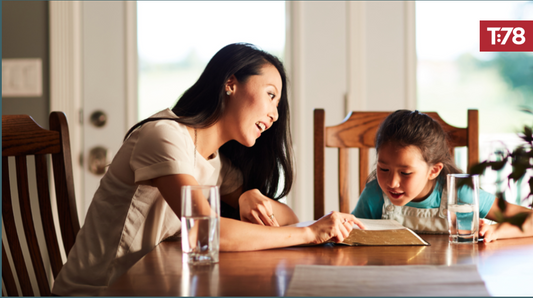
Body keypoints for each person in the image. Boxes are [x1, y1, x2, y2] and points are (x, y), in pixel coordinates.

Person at [52, 43, 363, 296]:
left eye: (278, 104)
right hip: (96, 291)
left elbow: (287, 219)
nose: (274, 115)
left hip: (148, 288)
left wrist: (247, 195)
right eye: (271, 95)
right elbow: (207, 232)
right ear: (230, 83)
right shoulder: (164, 135)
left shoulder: (216, 163)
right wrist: (309, 233)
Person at [352, 109, 533, 243]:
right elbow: (351, 236)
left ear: (434, 170)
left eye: (405, 173)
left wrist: (497, 230)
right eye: (383, 169)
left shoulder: (461, 194)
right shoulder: (375, 194)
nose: (392, 182)